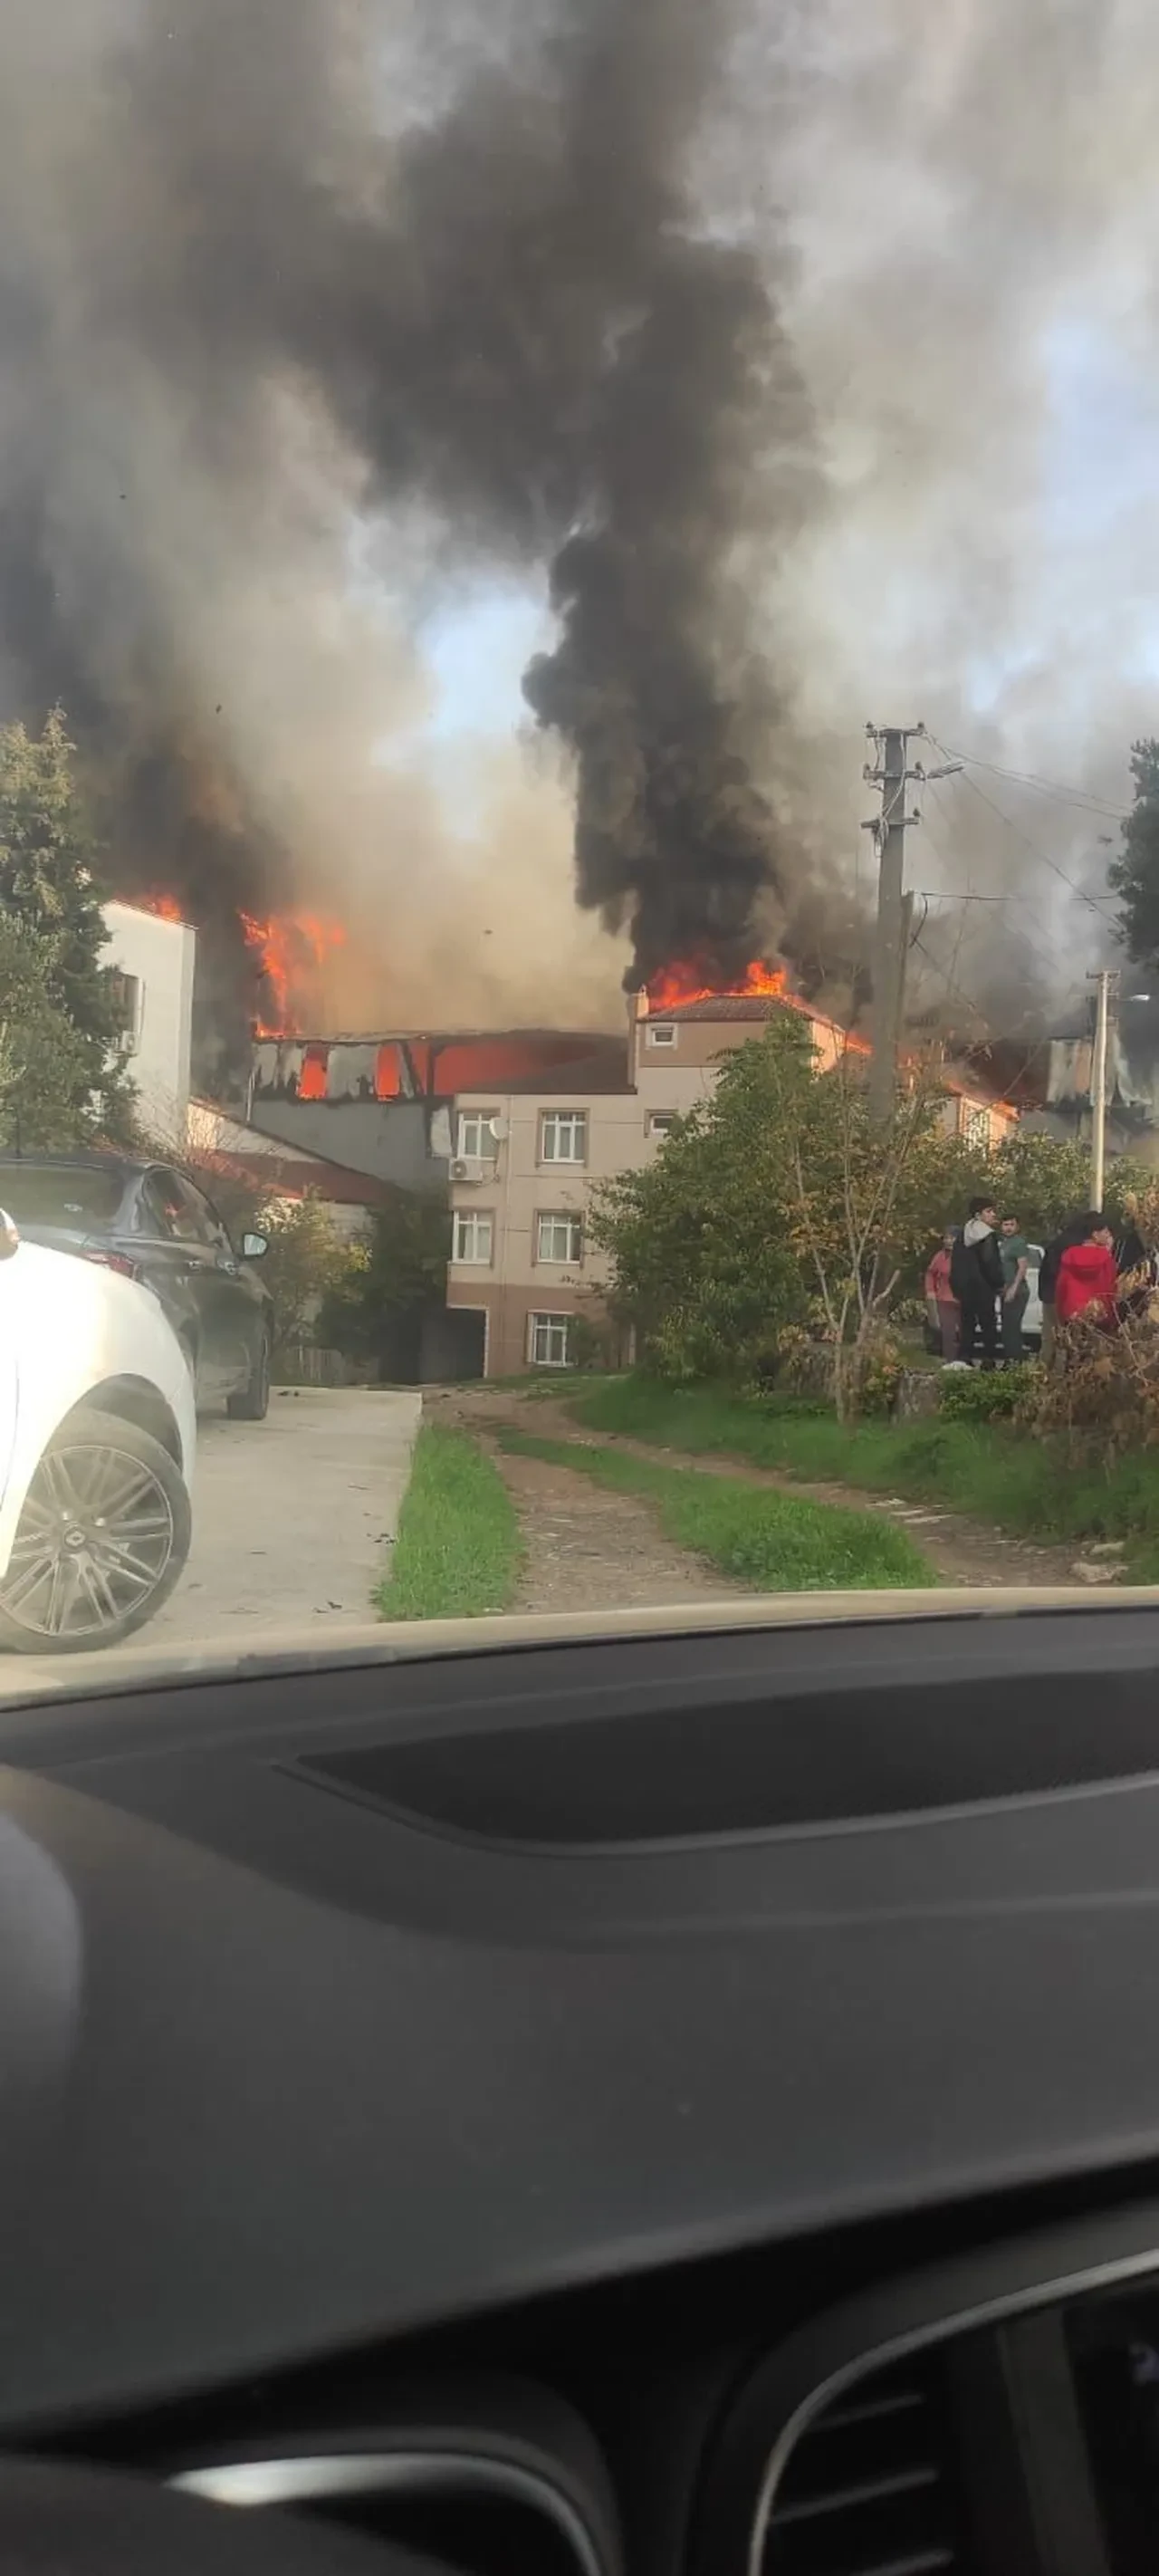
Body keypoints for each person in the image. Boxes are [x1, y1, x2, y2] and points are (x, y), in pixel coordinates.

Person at [950, 1197, 1004, 1368]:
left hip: (965, 1288)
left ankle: (964, 1358)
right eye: (989, 1211)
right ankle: (988, 1361)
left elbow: (956, 1262)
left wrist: (957, 1286)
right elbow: (990, 1263)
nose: (993, 1215)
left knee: (967, 1324)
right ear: (978, 1214)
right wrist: (998, 1283)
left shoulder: (963, 1234)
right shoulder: (987, 1235)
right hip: (983, 1287)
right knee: (988, 1324)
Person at [1055, 1215, 1118, 1330]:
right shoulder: (1105, 1258)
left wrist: (1061, 1315)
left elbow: (1061, 1287)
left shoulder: (1069, 1255)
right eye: (1106, 1231)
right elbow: (1109, 1288)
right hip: (1099, 1314)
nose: (1108, 1235)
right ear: (1095, 1235)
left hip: (1072, 1313)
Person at [1038, 1215, 1086, 1363]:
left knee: (1050, 1336)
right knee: (1066, 1337)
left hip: (1049, 1294)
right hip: (1064, 1296)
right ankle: (1062, 1373)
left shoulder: (1057, 1243)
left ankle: (1046, 1372)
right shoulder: (1076, 1245)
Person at [998, 1212, 1030, 1364]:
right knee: (1006, 1327)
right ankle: (1010, 1359)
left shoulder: (1018, 1243)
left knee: (1012, 1327)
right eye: (1005, 1225)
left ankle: (1015, 1360)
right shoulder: (1004, 1243)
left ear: (1017, 1226)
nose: (1008, 1228)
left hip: (1018, 1291)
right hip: (1005, 1290)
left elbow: (1022, 1267)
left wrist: (1013, 1288)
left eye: (1011, 1224)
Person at [924, 1229, 960, 1362]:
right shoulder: (939, 1256)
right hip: (945, 1298)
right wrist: (930, 1291)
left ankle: (964, 1360)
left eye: (952, 1238)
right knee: (948, 1331)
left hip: (963, 1299)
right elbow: (930, 1273)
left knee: (964, 1331)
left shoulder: (966, 1255)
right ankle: (950, 1360)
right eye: (946, 1238)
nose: (949, 1241)